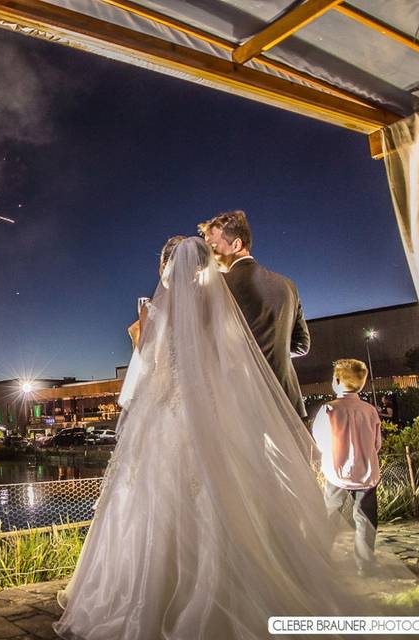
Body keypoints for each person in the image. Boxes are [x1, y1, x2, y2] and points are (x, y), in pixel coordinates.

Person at [55, 237, 380, 640]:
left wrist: (139, 338)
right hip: (210, 410)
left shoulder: (154, 311)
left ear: (164, 269)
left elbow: (145, 373)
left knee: (151, 497)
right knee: (221, 495)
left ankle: (149, 591)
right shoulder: (218, 306)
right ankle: (231, 584)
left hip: (166, 414)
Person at [199, 211, 310, 419]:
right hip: (288, 403)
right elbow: (301, 346)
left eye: (213, 246)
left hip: (242, 408)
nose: (209, 254)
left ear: (236, 244)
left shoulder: (216, 286)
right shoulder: (288, 285)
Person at [312, 359, 382, 574]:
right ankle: (365, 564)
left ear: (337, 380)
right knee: (365, 518)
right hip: (366, 472)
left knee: (330, 514)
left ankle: (322, 559)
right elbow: (377, 443)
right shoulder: (369, 410)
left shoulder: (329, 409)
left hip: (336, 471)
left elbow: (320, 439)